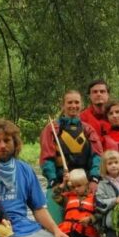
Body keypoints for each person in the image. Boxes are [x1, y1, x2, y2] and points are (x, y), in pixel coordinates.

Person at [40, 90, 104, 222]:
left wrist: (94, 179)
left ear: (81, 105)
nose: (73, 106)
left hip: (83, 185)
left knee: (88, 226)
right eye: (69, 102)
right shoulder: (52, 129)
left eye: (76, 102)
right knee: (57, 227)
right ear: (63, 105)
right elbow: (47, 158)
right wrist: (53, 181)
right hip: (60, 183)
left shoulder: (88, 130)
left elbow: (97, 156)